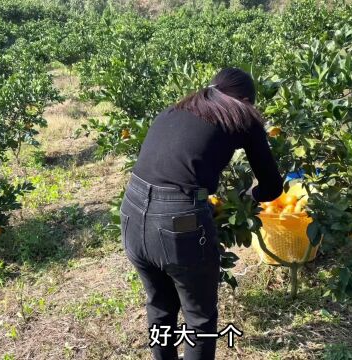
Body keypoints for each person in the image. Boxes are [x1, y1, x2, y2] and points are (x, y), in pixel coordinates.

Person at [119, 67, 283, 360]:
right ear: (245, 99)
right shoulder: (242, 115)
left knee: (159, 306)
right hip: (178, 221)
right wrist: (249, 195)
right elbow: (272, 187)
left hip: (131, 210)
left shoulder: (177, 108)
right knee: (199, 318)